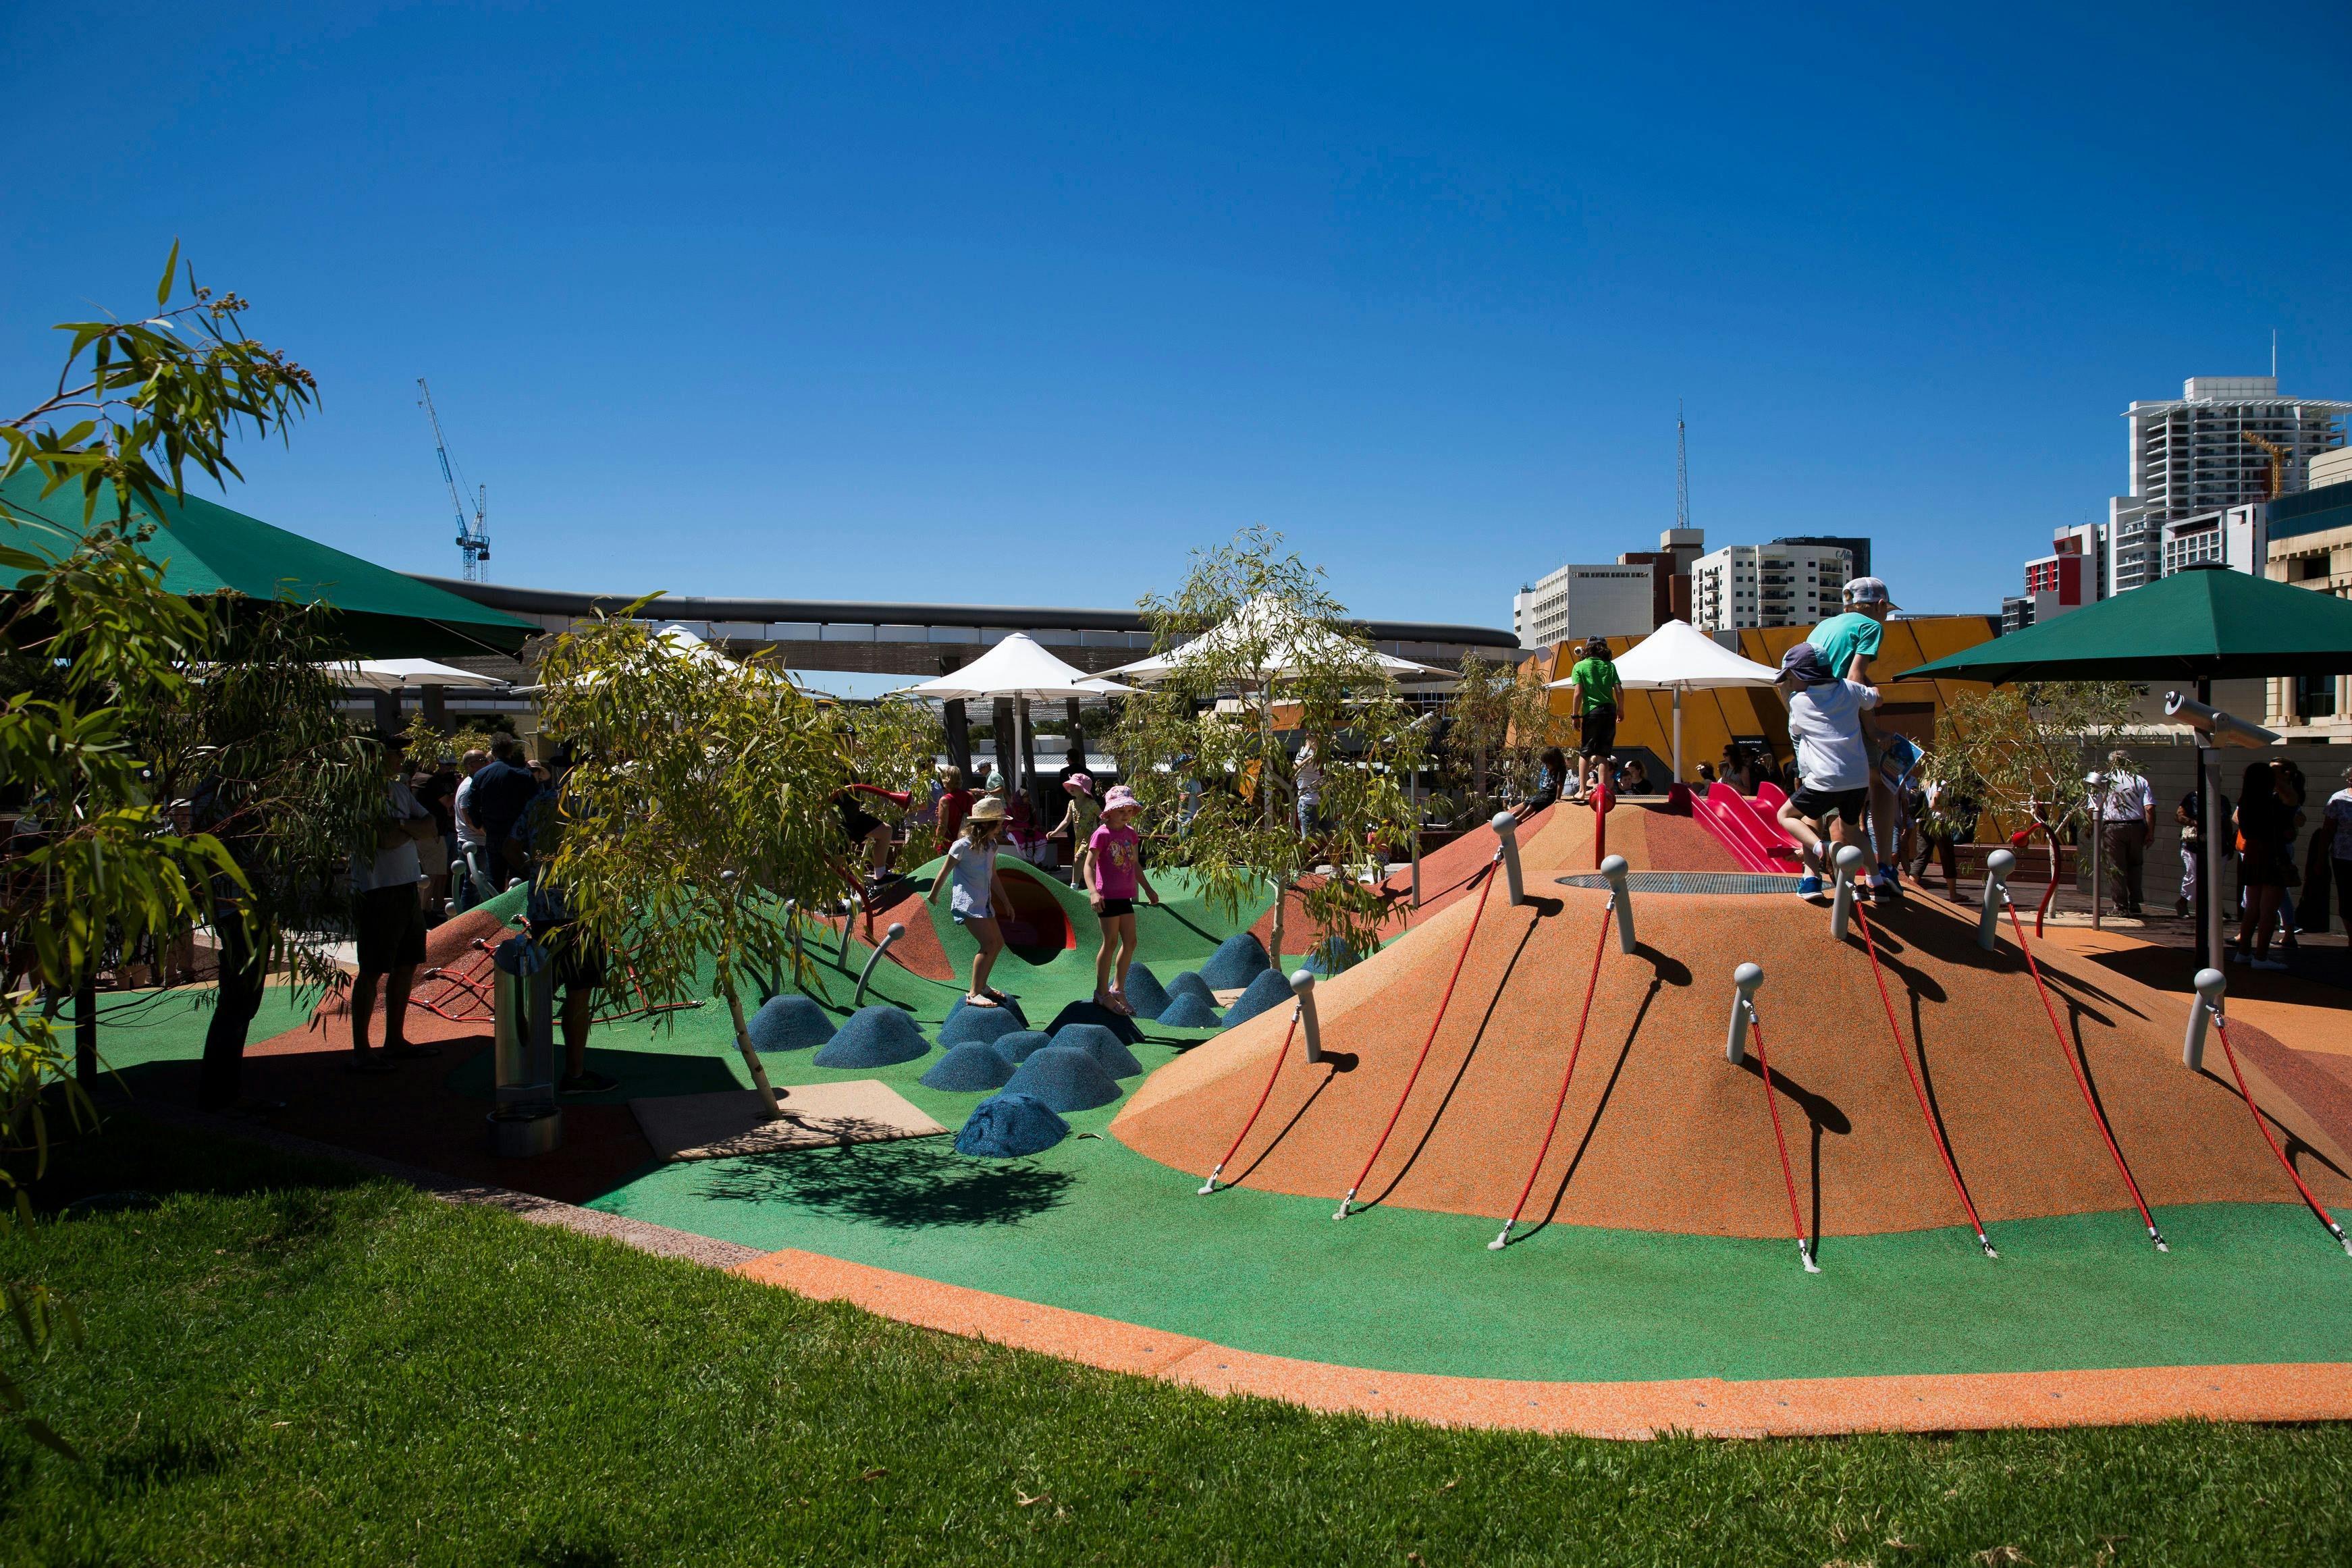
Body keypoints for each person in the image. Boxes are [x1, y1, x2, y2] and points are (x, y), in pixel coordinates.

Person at [505, 747, 618, 1094]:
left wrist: (535, 875)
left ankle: (527, 1067)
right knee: (579, 993)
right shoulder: (595, 806)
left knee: (541, 990)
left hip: (544, 911)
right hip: (583, 912)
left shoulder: (538, 803)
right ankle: (575, 1073)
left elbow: (509, 847)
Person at [348, 734, 442, 1073]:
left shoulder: (398, 790)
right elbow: (384, 841)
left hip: (407, 887)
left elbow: (431, 825)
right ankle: (361, 1050)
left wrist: (401, 825)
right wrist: (409, 829)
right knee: (372, 970)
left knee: (407, 964)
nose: (401, 757)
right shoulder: (358, 793)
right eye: (395, 752)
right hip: (377, 890)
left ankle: (395, 1040)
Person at [1808, 576, 1900, 901]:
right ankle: (1884, 868)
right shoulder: (1870, 626)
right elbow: (1853, 678)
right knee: (1882, 781)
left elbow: (1827, 673)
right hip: (1845, 719)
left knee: (1828, 798)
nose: (1885, 616)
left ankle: (1834, 878)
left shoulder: (1822, 628)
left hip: (1813, 720)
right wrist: (1872, 728)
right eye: (1886, 610)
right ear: (1879, 605)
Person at [1771, 642, 1879, 902]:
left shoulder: (1799, 702)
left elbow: (1796, 732)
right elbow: (1876, 699)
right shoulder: (1851, 689)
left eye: (1790, 678)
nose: (1789, 683)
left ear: (1801, 675)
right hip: (1857, 780)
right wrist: (1874, 691)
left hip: (1823, 780)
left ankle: (1822, 850)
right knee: (1852, 830)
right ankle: (1877, 882)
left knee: (1785, 815)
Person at [928, 796, 1015, 1007]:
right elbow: (944, 871)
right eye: (999, 822)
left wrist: (1006, 901)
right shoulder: (962, 846)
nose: (1001, 826)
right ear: (986, 824)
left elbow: (994, 875)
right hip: (967, 903)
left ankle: (982, 986)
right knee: (988, 944)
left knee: (998, 943)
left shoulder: (992, 845)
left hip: (984, 903)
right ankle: (974, 993)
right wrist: (933, 894)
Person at [1086, 784, 1160, 1015]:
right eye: (1121, 810)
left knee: (1130, 942)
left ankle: (1117, 989)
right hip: (1107, 896)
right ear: (1109, 812)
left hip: (1124, 896)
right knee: (1110, 942)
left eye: (1129, 810)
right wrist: (1093, 892)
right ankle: (1101, 993)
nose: (1126, 814)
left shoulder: (1130, 833)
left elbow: (1135, 864)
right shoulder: (1102, 834)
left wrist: (1148, 889)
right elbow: (1088, 866)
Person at [2233, 759, 2292, 970]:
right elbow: (2293, 799)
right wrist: (2277, 777)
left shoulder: (2245, 802)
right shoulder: (2273, 802)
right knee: (2269, 910)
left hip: (2252, 854)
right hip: (2271, 854)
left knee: (2252, 907)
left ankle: (2243, 952)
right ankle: (2261, 956)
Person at [464, 733, 541, 886]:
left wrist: (481, 825)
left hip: (494, 832)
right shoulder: (523, 775)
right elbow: (537, 805)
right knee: (522, 879)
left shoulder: (481, 775)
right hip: (519, 835)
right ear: (511, 751)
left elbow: (472, 806)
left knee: (495, 879)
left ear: (493, 751)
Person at [2094, 749, 2155, 916]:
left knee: (2115, 867)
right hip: (2136, 827)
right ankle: (2135, 902)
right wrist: (2150, 832)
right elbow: (2149, 808)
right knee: (2135, 865)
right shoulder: (2140, 780)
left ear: (2111, 763)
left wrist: (2090, 828)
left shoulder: (2104, 780)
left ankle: (2121, 906)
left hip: (2112, 828)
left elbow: (2094, 807)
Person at [1562, 637, 1620, 802]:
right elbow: (1619, 690)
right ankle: (1602, 790)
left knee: (1586, 751)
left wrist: (1575, 715)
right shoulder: (1610, 666)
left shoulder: (1580, 666)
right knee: (1603, 754)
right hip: (1609, 711)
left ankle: (1582, 791)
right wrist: (1621, 709)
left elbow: (1578, 693)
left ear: (1588, 648)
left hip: (1592, 712)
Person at [832, 778, 915, 883]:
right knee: (836, 864)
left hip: (854, 817)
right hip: (838, 821)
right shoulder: (835, 770)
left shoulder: (852, 771)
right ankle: (830, 892)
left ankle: (880, 876)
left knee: (885, 831)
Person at [449, 747, 492, 910]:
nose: (487, 763)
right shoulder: (468, 787)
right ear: (470, 765)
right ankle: (466, 920)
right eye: (482, 761)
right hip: (473, 844)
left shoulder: (477, 783)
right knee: (473, 886)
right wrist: (489, 834)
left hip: (477, 843)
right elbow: (469, 820)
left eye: (486, 759)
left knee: (478, 886)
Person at [1050, 771, 1102, 884]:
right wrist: (1055, 832)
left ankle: (1074, 886)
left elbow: (1103, 817)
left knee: (1078, 859)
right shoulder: (1071, 803)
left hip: (1090, 838)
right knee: (1083, 866)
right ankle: (1102, 881)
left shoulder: (1092, 804)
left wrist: (1104, 831)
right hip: (1079, 840)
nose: (1071, 788)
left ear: (1083, 789)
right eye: (1071, 785)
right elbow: (1066, 821)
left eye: (1075, 785)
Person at [2323, 765, 2352, 939]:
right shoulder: (2339, 798)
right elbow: (2328, 830)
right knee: (2347, 897)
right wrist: (2321, 857)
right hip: (2343, 857)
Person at [1514, 747, 1570, 822]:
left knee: (1534, 803)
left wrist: (1558, 798)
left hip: (1549, 796)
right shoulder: (1551, 768)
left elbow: (1560, 784)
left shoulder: (1561, 770)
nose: (1546, 766)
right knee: (1527, 802)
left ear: (1554, 762)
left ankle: (1518, 819)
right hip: (1542, 793)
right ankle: (1512, 816)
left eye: (1547, 764)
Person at [935, 765, 975, 842]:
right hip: (968, 841)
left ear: (945, 780)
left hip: (950, 842)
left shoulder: (945, 800)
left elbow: (942, 827)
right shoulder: (970, 796)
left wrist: (934, 846)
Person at [1293, 739, 1324, 837]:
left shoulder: (1318, 752)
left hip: (1317, 802)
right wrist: (1310, 758)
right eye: (1316, 736)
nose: (1319, 739)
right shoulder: (1305, 751)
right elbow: (1295, 767)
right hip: (1307, 802)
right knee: (1309, 839)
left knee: (1318, 836)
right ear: (1309, 737)